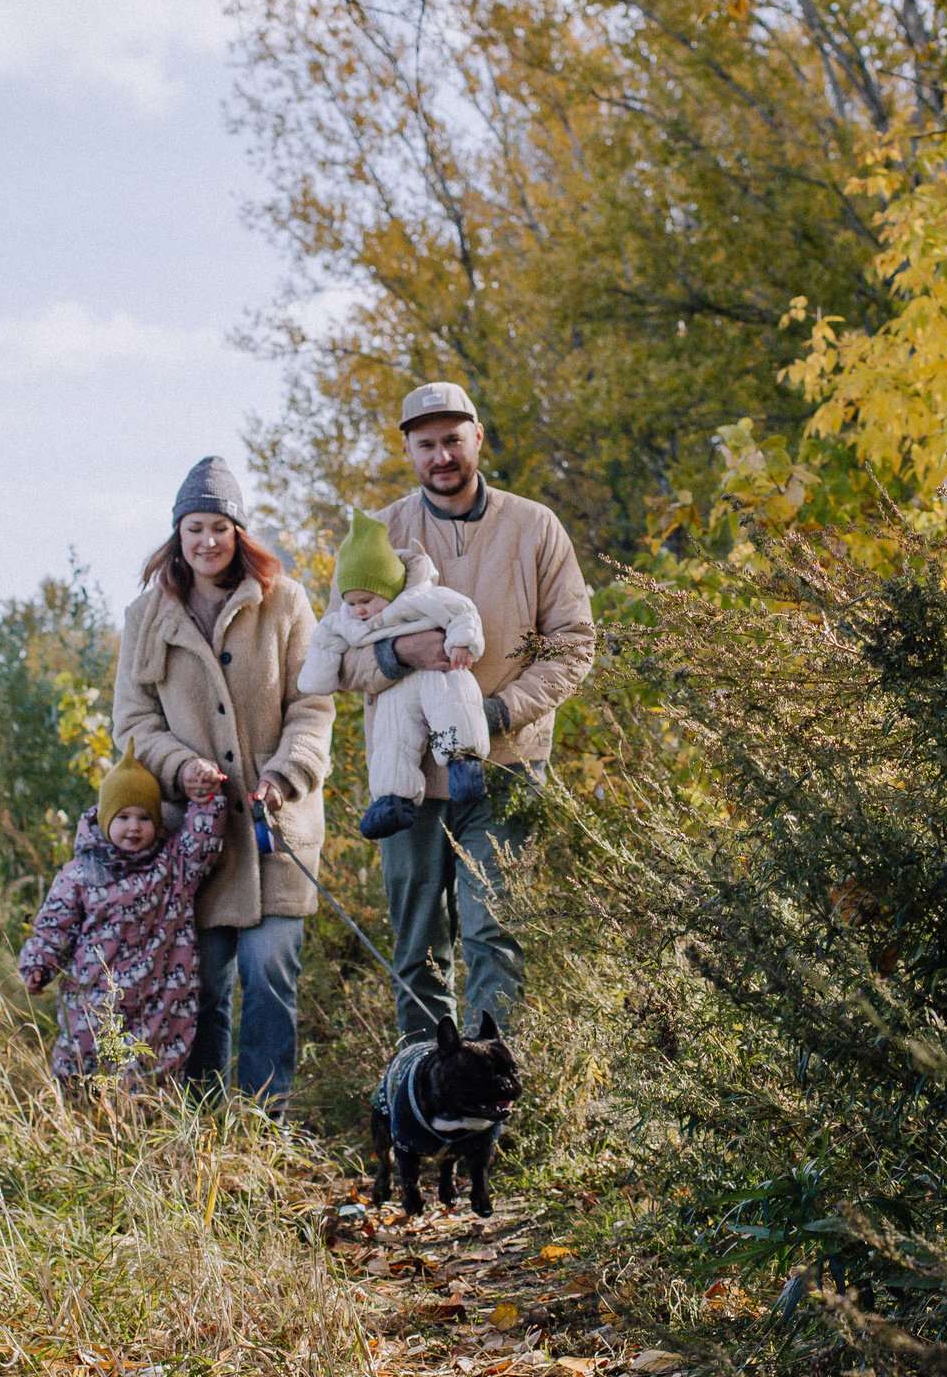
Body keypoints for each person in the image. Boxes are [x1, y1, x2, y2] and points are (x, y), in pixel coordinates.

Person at [329, 383, 595, 1044]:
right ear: (408, 450)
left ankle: (488, 1097)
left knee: (492, 932)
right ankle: (425, 1086)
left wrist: (497, 711)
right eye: (427, 444)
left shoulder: (535, 528)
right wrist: (400, 653)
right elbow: (336, 660)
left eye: (453, 439)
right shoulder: (379, 536)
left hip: (505, 766)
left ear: (478, 438)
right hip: (408, 777)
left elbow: (574, 645)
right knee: (419, 943)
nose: (441, 455)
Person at [113, 456, 334, 1107]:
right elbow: (132, 720)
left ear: (239, 531)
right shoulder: (145, 616)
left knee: (270, 976)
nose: (207, 541)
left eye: (219, 526)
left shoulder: (285, 601)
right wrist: (180, 766)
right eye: (194, 528)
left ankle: (268, 1124)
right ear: (176, 536)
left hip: (276, 830)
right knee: (201, 985)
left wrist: (287, 772)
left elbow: (313, 704)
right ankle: (205, 1131)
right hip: (195, 841)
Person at [16, 757, 225, 1082]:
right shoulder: (81, 874)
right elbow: (54, 927)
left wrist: (206, 797)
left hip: (159, 1004)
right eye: (123, 816)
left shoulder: (172, 868)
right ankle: (77, 1120)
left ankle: (145, 1123)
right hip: (95, 999)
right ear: (104, 818)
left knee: (150, 1076)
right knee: (82, 1069)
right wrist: (38, 966)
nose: (133, 827)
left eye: (144, 818)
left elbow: (202, 841)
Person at [299, 509, 491, 840]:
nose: (358, 610)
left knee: (454, 701)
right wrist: (318, 677)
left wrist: (462, 644)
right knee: (391, 737)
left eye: (366, 600)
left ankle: (465, 763)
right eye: (351, 602)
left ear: (387, 589)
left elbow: (462, 610)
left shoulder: (421, 599)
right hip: (394, 686)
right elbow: (324, 640)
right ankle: (394, 801)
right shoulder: (347, 619)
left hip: (439, 668)